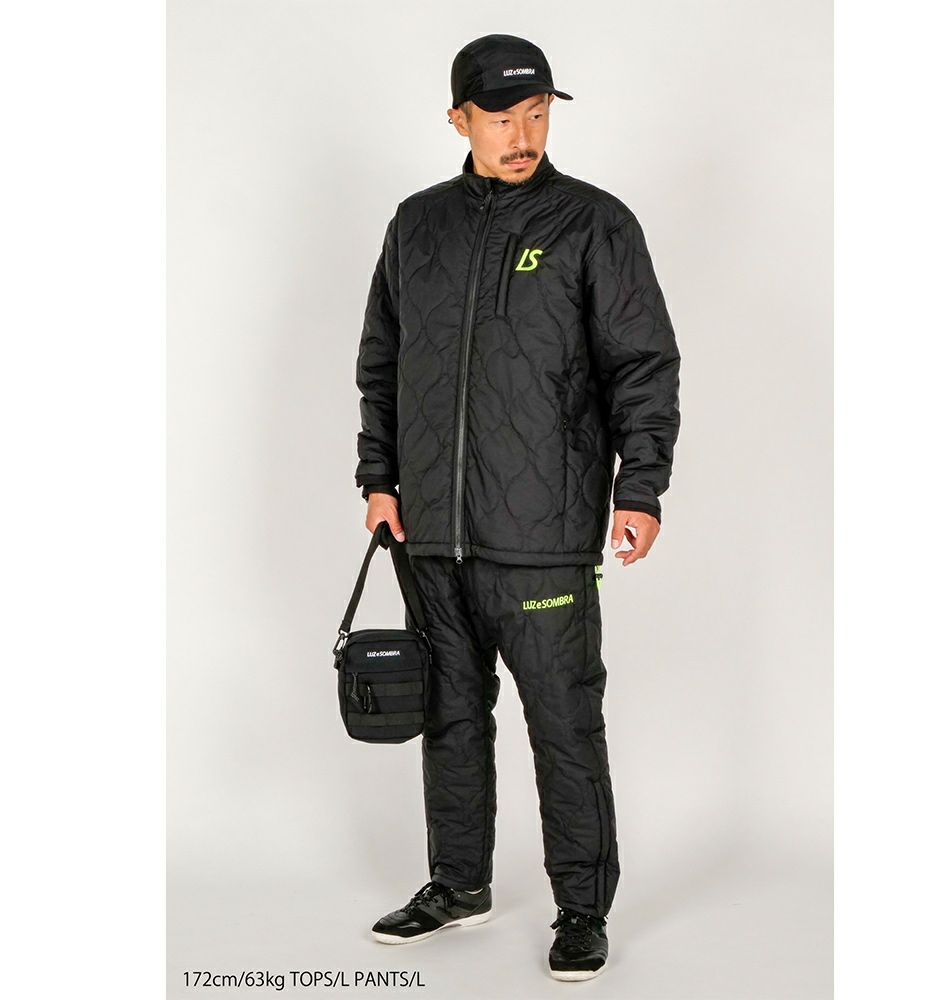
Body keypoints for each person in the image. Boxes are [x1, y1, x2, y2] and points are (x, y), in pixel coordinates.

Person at [353, 33, 681, 981]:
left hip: (543, 533)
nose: (523, 134)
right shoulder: (417, 226)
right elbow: (382, 363)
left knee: (564, 725)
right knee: (451, 717)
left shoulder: (594, 224)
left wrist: (640, 489)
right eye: (502, 117)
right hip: (432, 535)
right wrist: (380, 479)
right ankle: (458, 885)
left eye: (537, 114)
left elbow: (642, 366)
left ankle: (582, 907)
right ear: (459, 119)